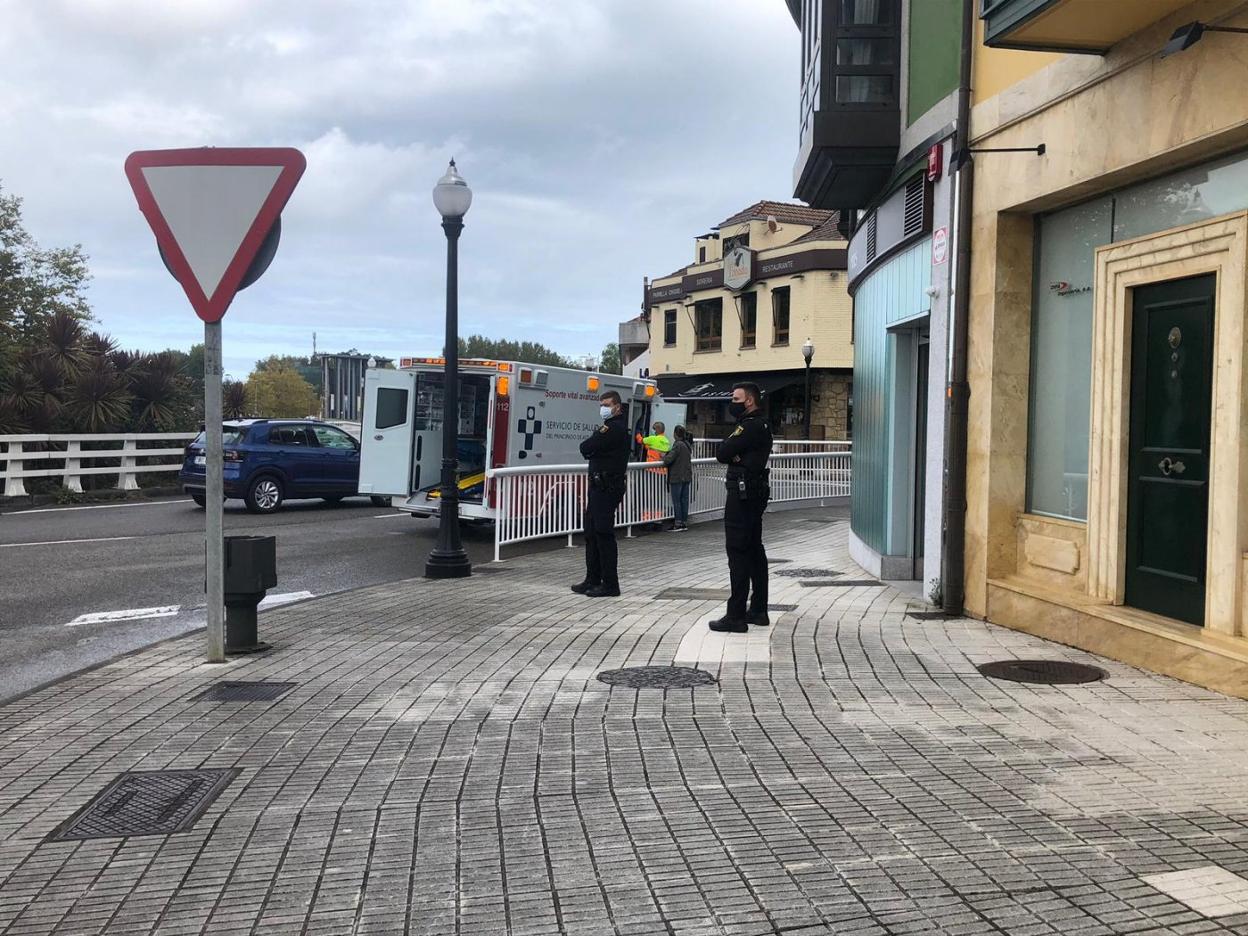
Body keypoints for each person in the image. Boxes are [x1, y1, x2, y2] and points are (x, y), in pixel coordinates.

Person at [709, 382, 773, 632]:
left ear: (749, 401)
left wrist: (737, 456)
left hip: (743, 494)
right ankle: (758, 609)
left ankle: (735, 615)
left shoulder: (749, 426)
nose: (732, 402)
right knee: (755, 549)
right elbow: (729, 453)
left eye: (736, 398)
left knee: (738, 551)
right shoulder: (763, 425)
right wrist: (737, 456)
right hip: (755, 493)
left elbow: (723, 452)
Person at [571, 390, 630, 598]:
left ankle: (610, 584)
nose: (603, 408)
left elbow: (588, 446)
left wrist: (593, 448)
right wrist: (592, 449)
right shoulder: (609, 428)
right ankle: (593, 578)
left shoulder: (615, 428)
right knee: (591, 533)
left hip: (607, 487)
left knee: (603, 534)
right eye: (601, 405)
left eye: (606, 404)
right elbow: (587, 449)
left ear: (617, 407)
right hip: (598, 486)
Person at [662, 425, 693, 531]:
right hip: (686, 476)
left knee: (677, 500)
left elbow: (668, 460)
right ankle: (684, 522)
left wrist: (664, 456)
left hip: (677, 476)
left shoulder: (677, 445)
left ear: (675, 434)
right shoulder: (687, 444)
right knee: (684, 500)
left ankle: (677, 523)